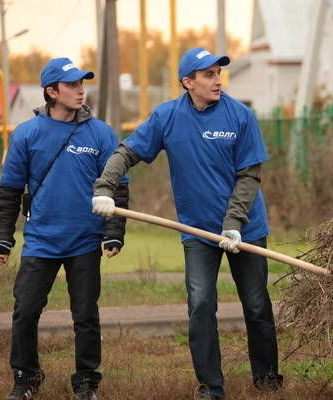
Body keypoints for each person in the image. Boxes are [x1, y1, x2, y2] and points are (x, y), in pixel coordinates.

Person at [91, 47, 282, 400]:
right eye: (208, 75)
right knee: (200, 304)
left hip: (246, 228)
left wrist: (234, 222)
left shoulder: (240, 116)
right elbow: (126, 153)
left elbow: (249, 175)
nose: (217, 80)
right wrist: (104, 188)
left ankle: (267, 379)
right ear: (187, 82)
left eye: (218, 73)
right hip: (197, 231)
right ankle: (211, 386)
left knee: (256, 305)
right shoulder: (167, 117)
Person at [0, 57, 129, 400]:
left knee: (85, 314)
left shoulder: (100, 132)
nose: (80, 90)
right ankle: (26, 378)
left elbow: (117, 188)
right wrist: (3, 238)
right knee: (25, 311)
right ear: (51, 92)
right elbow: (9, 191)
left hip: (85, 238)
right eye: (72, 85)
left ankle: (85, 382)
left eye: (82, 83)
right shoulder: (27, 134)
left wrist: (114, 231)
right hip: (40, 240)